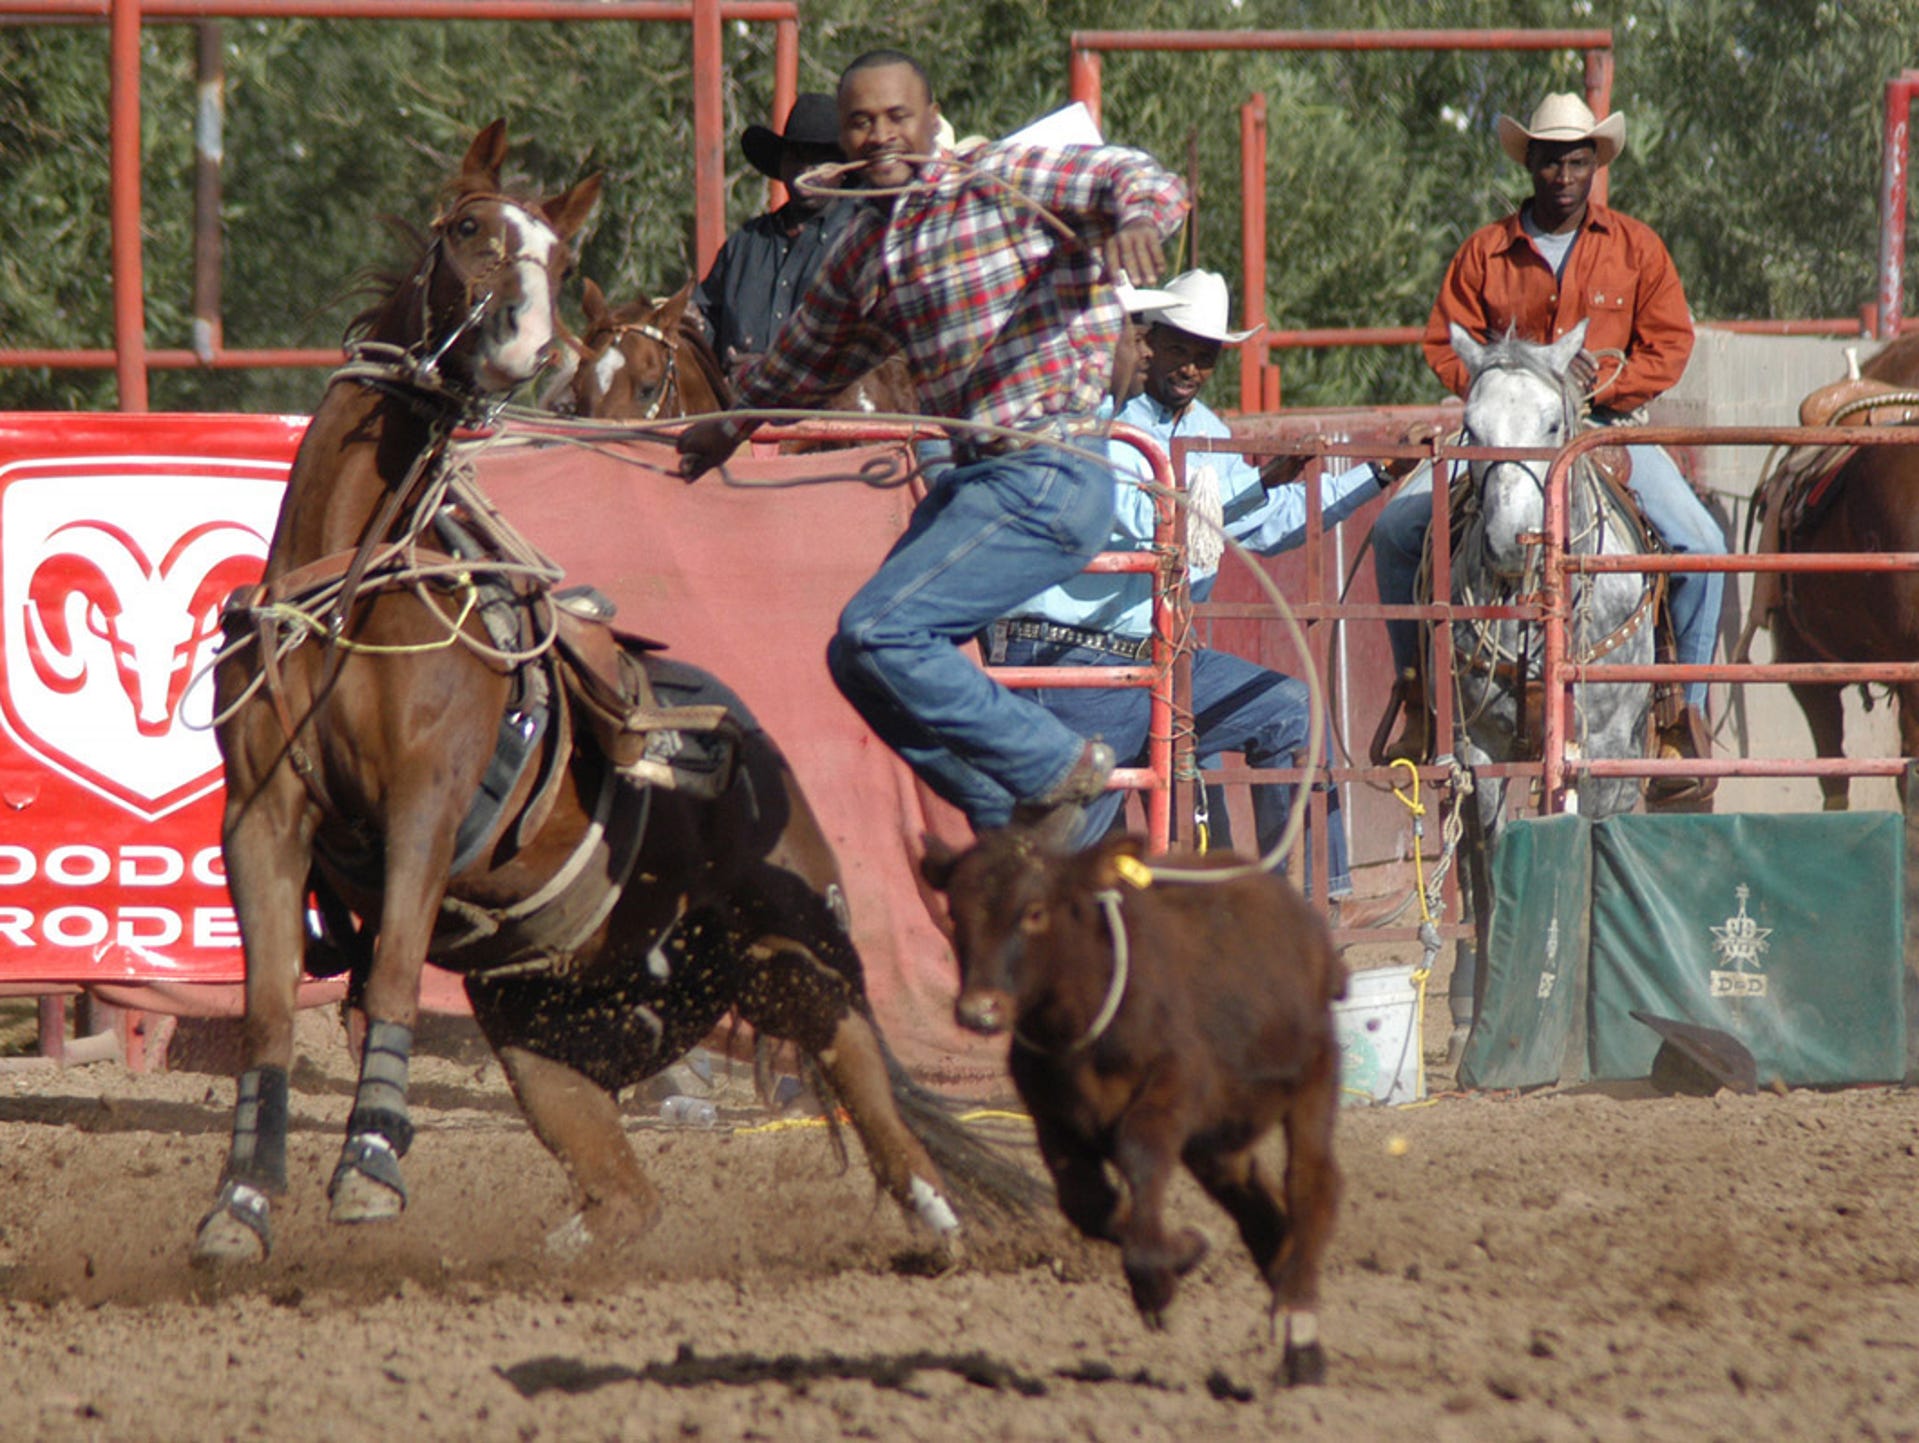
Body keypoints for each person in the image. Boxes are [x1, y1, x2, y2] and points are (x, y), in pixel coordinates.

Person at [677, 49, 1189, 839]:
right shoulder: (861, 255)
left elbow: (1137, 178)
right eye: (861, 122)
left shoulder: (1000, 178)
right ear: (846, 141)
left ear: (929, 120)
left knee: (881, 630)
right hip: (982, 484)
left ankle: (1053, 764)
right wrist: (727, 424)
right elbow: (798, 364)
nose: (879, 136)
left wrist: (1138, 222)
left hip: (1050, 466)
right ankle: (1008, 821)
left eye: (895, 118)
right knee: (855, 657)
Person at [985, 269, 1413, 898]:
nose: (1189, 367)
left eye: (1205, 355)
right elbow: (1139, 517)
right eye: (1178, 347)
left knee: (1292, 714)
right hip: (1071, 661)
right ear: (1146, 341)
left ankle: (1302, 908)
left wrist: (1374, 475)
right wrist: (1261, 482)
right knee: (1072, 864)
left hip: (1153, 661)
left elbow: (1260, 527)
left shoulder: (1203, 427)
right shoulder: (1091, 417)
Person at [1372, 93, 1725, 805]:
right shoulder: (1485, 251)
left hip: (1603, 428)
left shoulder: (1635, 247)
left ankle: (1678, 711)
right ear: (1527, 163)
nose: (1562, 174)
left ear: (1594, 165)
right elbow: (1446, 340)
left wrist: (1614, 379)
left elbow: (1670, 342)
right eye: (1549, 160)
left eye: (1575, 160)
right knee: (1393, 532)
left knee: (1700, 545)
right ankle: (1417, 697)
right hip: (1504, 432)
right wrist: (1494, 387)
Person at [693, 92, 853, 384]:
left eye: (819, 160)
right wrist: (689, 324)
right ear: (781, 164)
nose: (806, 169)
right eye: (795, 156)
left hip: (830, 418)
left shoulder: (859, 240)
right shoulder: (746, 242)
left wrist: (774, 367)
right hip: (739, 414)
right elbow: (705, 316)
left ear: (843, 169)